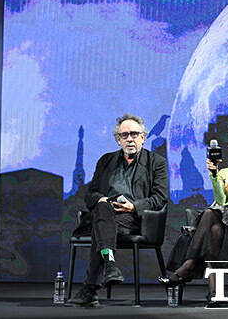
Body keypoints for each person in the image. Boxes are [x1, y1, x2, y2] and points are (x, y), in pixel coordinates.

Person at [158, 123, 228, 307]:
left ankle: (189, 266)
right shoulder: (225, 172)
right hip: (223, 218)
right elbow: (220, 198)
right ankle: (214, 295)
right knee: (215, 230)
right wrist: (213, 175)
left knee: (212, 213)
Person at [66, 114, 169, 307]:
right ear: (118, 140)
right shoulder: (106, 161)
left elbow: (160, 198)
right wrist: (102, 199)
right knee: (102, 209)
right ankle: (110, 265)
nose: (130, 139)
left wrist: (133, 206)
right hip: (106, 213)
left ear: (143, 137)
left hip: (135, 219)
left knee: (100, 224)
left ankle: (91, 287)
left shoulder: (157, 162)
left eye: (134, 134)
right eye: (125, 135)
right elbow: (91, 195)